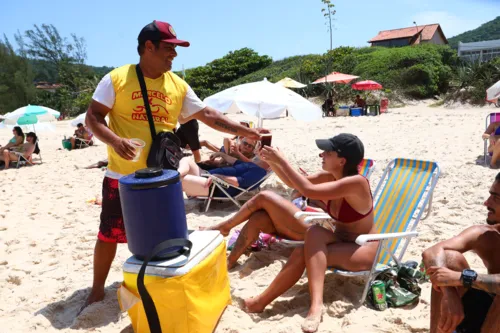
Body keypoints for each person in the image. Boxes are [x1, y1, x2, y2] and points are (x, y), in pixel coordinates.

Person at [83, 20, 266, 309]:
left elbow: (207, 114)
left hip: (163, 179)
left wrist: (246, 132)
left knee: (165, 237)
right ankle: (96, 291)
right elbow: (92, 118)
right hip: (123, 175)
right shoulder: (116, 79)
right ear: (148, 47)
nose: (174, 55)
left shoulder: (177, 85)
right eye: (169, 48)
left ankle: (161, 287)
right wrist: (116, 141)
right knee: (109, 234)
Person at [421, 173, 500, 333]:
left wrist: (461, 278)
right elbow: (432, 252)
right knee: (449, 259)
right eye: (490, 195)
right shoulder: (487, 235)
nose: (486, 203)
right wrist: (448, 292)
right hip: (488, 309)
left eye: (496, 198)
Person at [178, 148, 267, 198]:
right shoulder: (253, 165)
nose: (258, 151)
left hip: (214, 186)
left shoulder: (259, 172)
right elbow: (233, 161)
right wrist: (221, 154)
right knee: (186, 160)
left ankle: (173, 178)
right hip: (207, 175)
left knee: (180, 182)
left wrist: (218, 177)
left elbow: (237, 182)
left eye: (261, 152)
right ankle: (175, 175)